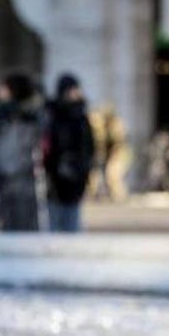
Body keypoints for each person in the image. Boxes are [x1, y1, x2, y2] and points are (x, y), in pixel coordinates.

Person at [0, 72, 46, 232]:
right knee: (8, 221)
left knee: (24, 222)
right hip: (5, 177)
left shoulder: (29, 115)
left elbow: (25, 146)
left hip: (21, 176)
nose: (0, 91)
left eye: (3, 88)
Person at [43, 73, 94, 232]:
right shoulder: (52, 114)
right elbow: (48, 143)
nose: (76, 93)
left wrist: (85, 166)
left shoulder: (81, 115)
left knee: (73, 217)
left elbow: (88, 144)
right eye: (72, 89)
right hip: (55, 174)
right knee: (55, 218)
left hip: (77, 174)